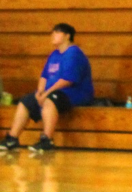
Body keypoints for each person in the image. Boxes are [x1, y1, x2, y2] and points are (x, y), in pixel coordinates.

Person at [0, 23, 94, 152]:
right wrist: (40, 91)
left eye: (57, 32)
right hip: (52, 91)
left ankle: (47, 140)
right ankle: (12, 138)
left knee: (50, 100)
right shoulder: (54, 54)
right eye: (53, 32)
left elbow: (67, 80)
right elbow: (44, 76)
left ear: (67, 36)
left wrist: (46, 93)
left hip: (75, 93)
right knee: (26, 101)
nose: (53, 35)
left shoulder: (74, 53)